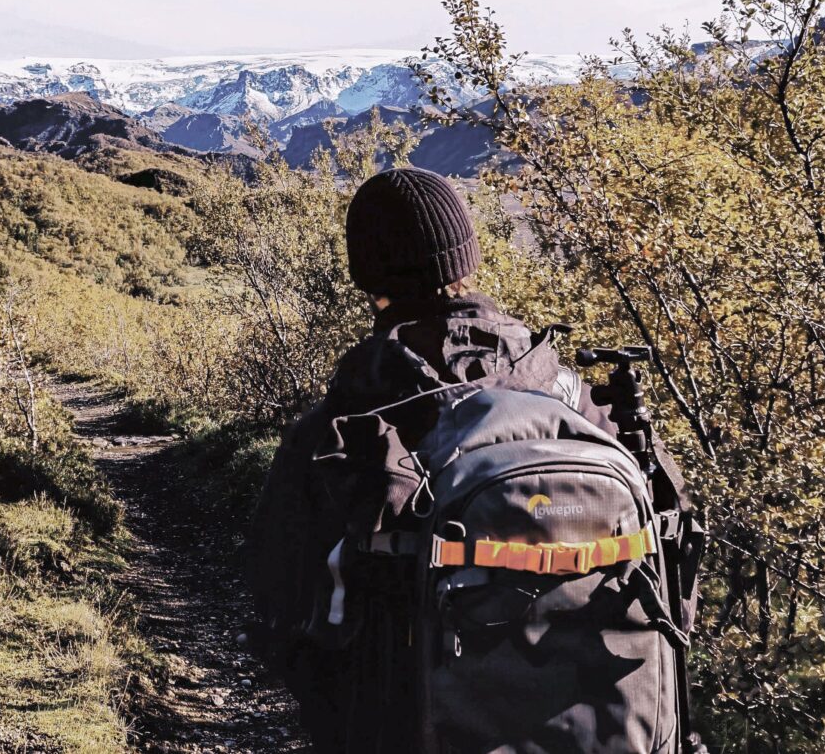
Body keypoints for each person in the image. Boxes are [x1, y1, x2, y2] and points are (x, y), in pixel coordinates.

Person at [245, 166, 613, 752]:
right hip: (589, 707)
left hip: (401, 713)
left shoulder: (346, 419)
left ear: (368, 276)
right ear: (467, 259)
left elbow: (275, 583)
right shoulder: (564, 387)